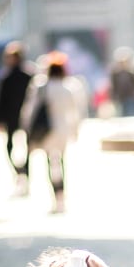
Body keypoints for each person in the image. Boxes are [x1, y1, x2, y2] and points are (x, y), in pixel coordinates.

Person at [20, 53, 86, 214]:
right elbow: (76, 112)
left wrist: (26, 128)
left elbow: (30, 110)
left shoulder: (41, 86)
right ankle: (62, 196)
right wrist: (75, 131)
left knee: (51, 163)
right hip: (63, 130)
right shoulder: (68, 87)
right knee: (61, 162)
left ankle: (56, 198)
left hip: (47, 130)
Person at [0, 41, 33, 196]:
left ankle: (25, 175)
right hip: (12, 118)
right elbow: (1, 100)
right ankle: (21, 172)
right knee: (10, 147)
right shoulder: (6, 76)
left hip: (25, 117)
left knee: (26, 148)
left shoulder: (29, 76)